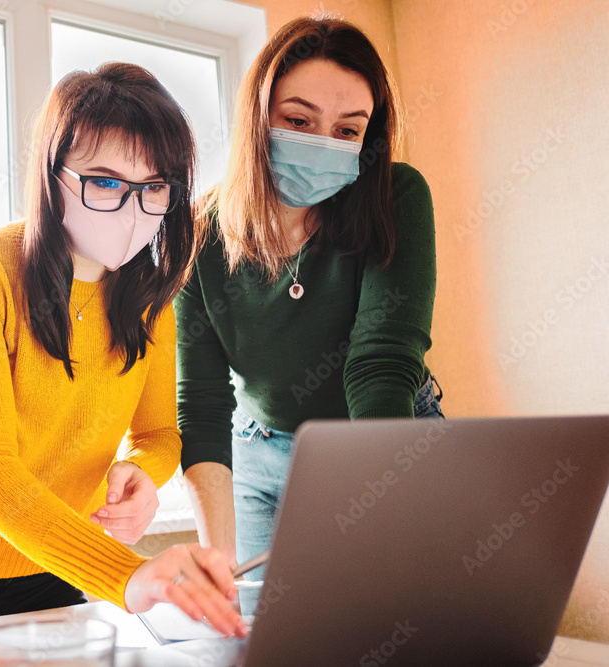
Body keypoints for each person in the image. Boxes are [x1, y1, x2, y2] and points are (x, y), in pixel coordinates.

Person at [0, 62, 247, 638]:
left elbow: (159, 436)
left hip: (49, 562)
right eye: (105, 182)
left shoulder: (152, 301)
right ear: (53, 178)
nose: (133, 210)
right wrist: (129, 576)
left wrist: (144, 474)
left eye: (154, 189)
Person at [176, 16, 444, 614]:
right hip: (257, 449)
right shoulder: (197, 235)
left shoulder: (396, 197)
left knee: (398, 619)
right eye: (298, 121)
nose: (323, 144)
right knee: (266, 627)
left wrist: (380, 493)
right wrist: (216, 564)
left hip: (380, 434)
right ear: (257, 118)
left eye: (347, 131)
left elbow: (381, 361)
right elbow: (202, 404)